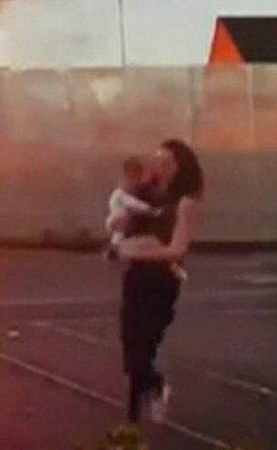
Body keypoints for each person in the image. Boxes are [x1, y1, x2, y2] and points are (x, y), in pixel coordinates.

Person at [109, 139, 204, 424]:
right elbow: (122, 226)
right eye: (158, 161)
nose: (160, 167)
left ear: (180, 167)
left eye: (167, 163)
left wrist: (143, 249)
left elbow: (177, 249)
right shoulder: (146, 195)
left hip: (160, 281)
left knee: (144, 346)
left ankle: (150, 394)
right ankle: (139, 407)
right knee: (129, 344)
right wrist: (120, 229)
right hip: (136, 276)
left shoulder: (185, 202)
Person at [105, 156, 159, 258]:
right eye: (132, 179)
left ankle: (114, 249)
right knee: (120, 233)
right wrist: (152, 211)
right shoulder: (121, 195)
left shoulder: (120, 193)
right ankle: (114, 250)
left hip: (117, 218)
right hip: (118, 217)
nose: (134, 183)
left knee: (120, 234)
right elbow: (135, 204)